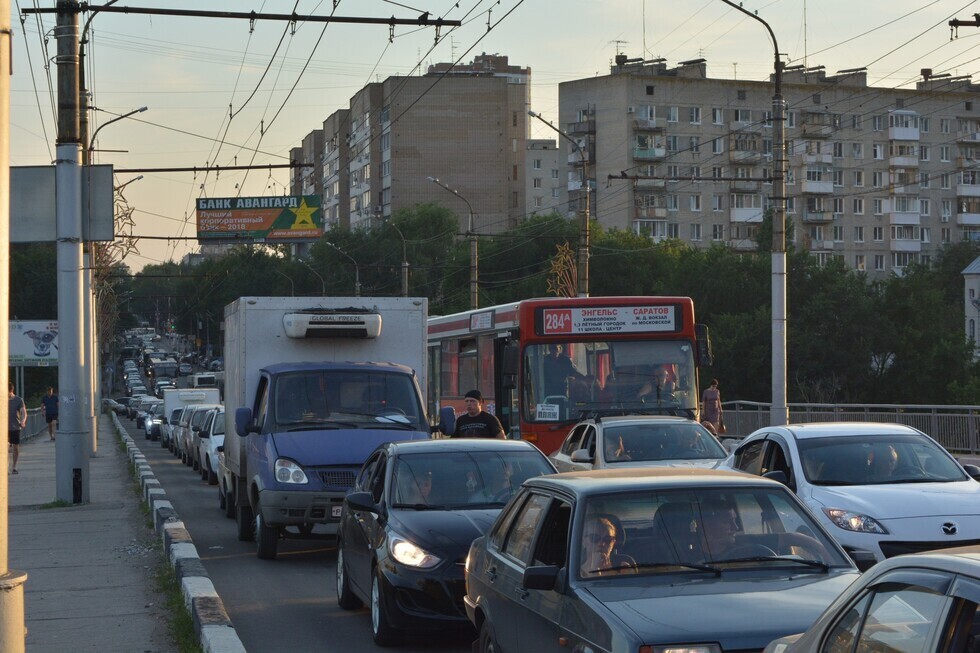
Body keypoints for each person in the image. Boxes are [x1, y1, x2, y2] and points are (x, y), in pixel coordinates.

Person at [8, 384, 26, 475]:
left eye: (8, 393)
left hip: (15, 427)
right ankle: (5, 467)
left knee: (16, 448)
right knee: (5, 448)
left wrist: (23, 421)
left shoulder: (19, 400)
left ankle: (14, 467)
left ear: (11, 391)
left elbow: (24, 412)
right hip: (4, 429)